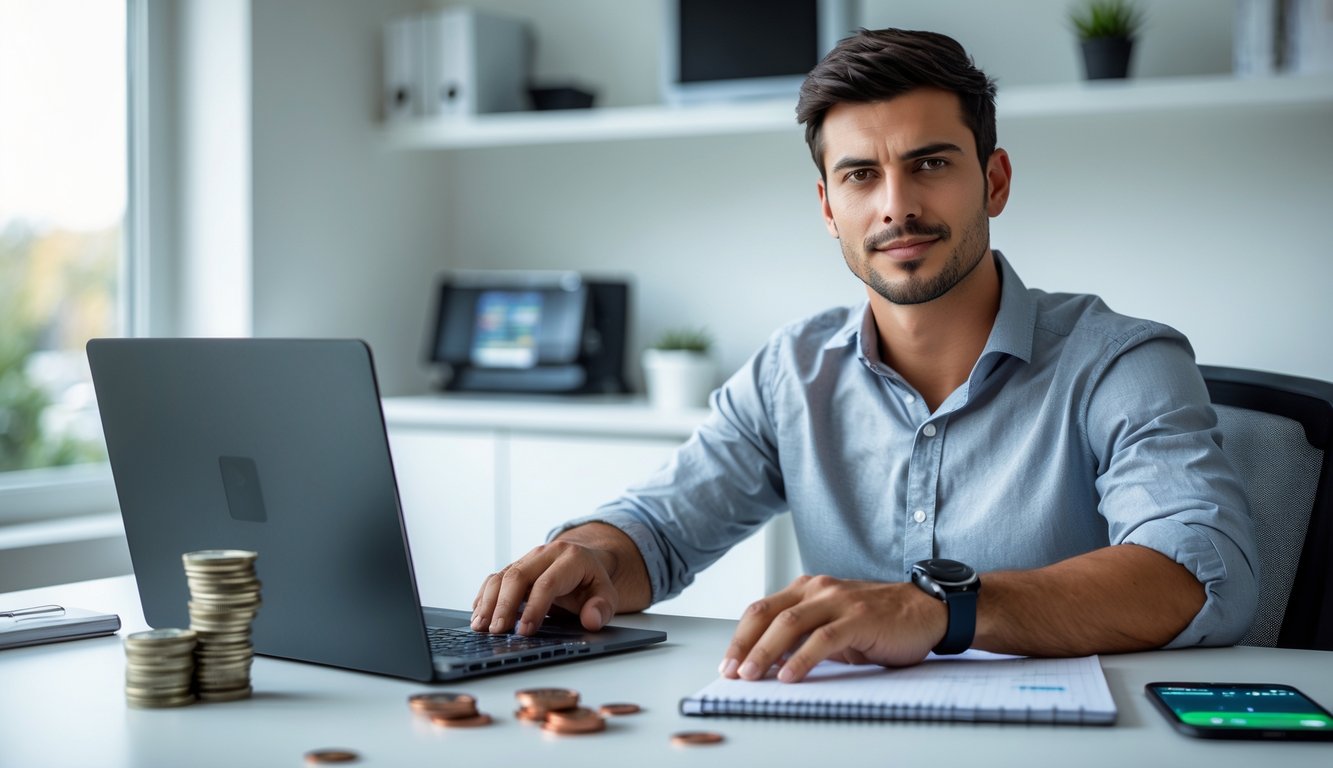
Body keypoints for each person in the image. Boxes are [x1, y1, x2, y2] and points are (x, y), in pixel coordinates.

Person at [469, 28, 1258, 683]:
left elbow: (1196, 573)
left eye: (930, 164)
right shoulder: (790, 372)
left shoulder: (1122, 362)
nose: (895, 206)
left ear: (993, 181)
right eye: (859, 175)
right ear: (827, 206)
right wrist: (591, 556)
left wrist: (939, 609)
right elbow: (661, 528)